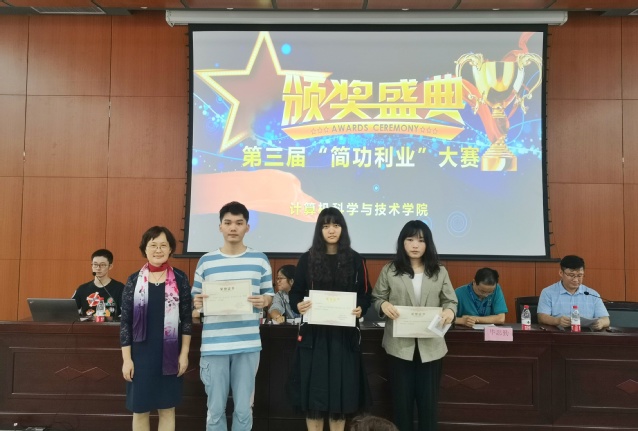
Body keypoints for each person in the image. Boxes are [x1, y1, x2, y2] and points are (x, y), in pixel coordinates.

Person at [192, 201, 274, 431]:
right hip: (214, 345)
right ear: (220, 226)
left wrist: (265, 301)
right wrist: (197, 303)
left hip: (247, 345)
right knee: (215, 410)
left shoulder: (260, 260)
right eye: (228, 223)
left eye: (239, 223)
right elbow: (195, 300)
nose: (233, 227)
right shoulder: (206, 261)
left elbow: (269, 295)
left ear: (247, 227)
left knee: (244, 409)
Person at [288, 207, 372, 431]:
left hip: (343, 338)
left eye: (336, 225)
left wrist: (361, 308)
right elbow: (295, 293)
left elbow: (366, 294)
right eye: (326, 226)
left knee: (339, 397)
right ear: (319, 230)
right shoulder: (307, 259)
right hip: (314, 338)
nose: (331, 230)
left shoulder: (355, 260)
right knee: (314, 399)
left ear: (343, 228)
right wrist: (298, 305)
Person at [372, 220, 457, 431]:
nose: (415, 245)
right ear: (402, 242)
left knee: (428, 407)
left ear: (428, 244)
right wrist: (383, 305)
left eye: (421, 240)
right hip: (399, 347)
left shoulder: (439, 271)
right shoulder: (390, 270)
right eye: (410, 239)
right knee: (401, 405)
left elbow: (451, 301)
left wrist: (450, 311)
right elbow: (377, 298)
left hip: (431, 347)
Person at [120, 226, 193, 431]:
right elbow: (125, 323)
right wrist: (127, 360)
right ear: (145, 249)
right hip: (140, 356)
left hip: (169, 354)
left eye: (163, 245)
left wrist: (184, 354)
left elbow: (187, 320)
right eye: (153, 245)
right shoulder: (134, 280)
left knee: (167, 409)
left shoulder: (180, 278)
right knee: (140, 410)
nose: (158, 250)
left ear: (170, 249)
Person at [537, 255, 610, 330]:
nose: (575, 280)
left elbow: (606, 319)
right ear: (561, 273)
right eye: (571, 275)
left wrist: (601, 323)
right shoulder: (548, 292)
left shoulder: (592, 294)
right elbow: (541, 317)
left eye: (579, 275)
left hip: (586, 334)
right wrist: (557, 321)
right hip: (558, 334)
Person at [72, 249, 125, 319]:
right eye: (95, 264)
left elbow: (126, 314)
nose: (98, 268)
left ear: (110, 266)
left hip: (111, 325)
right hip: (87, 325)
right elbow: (69, 312)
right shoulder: (82, 289)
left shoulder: (120, 288)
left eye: (102, 265)